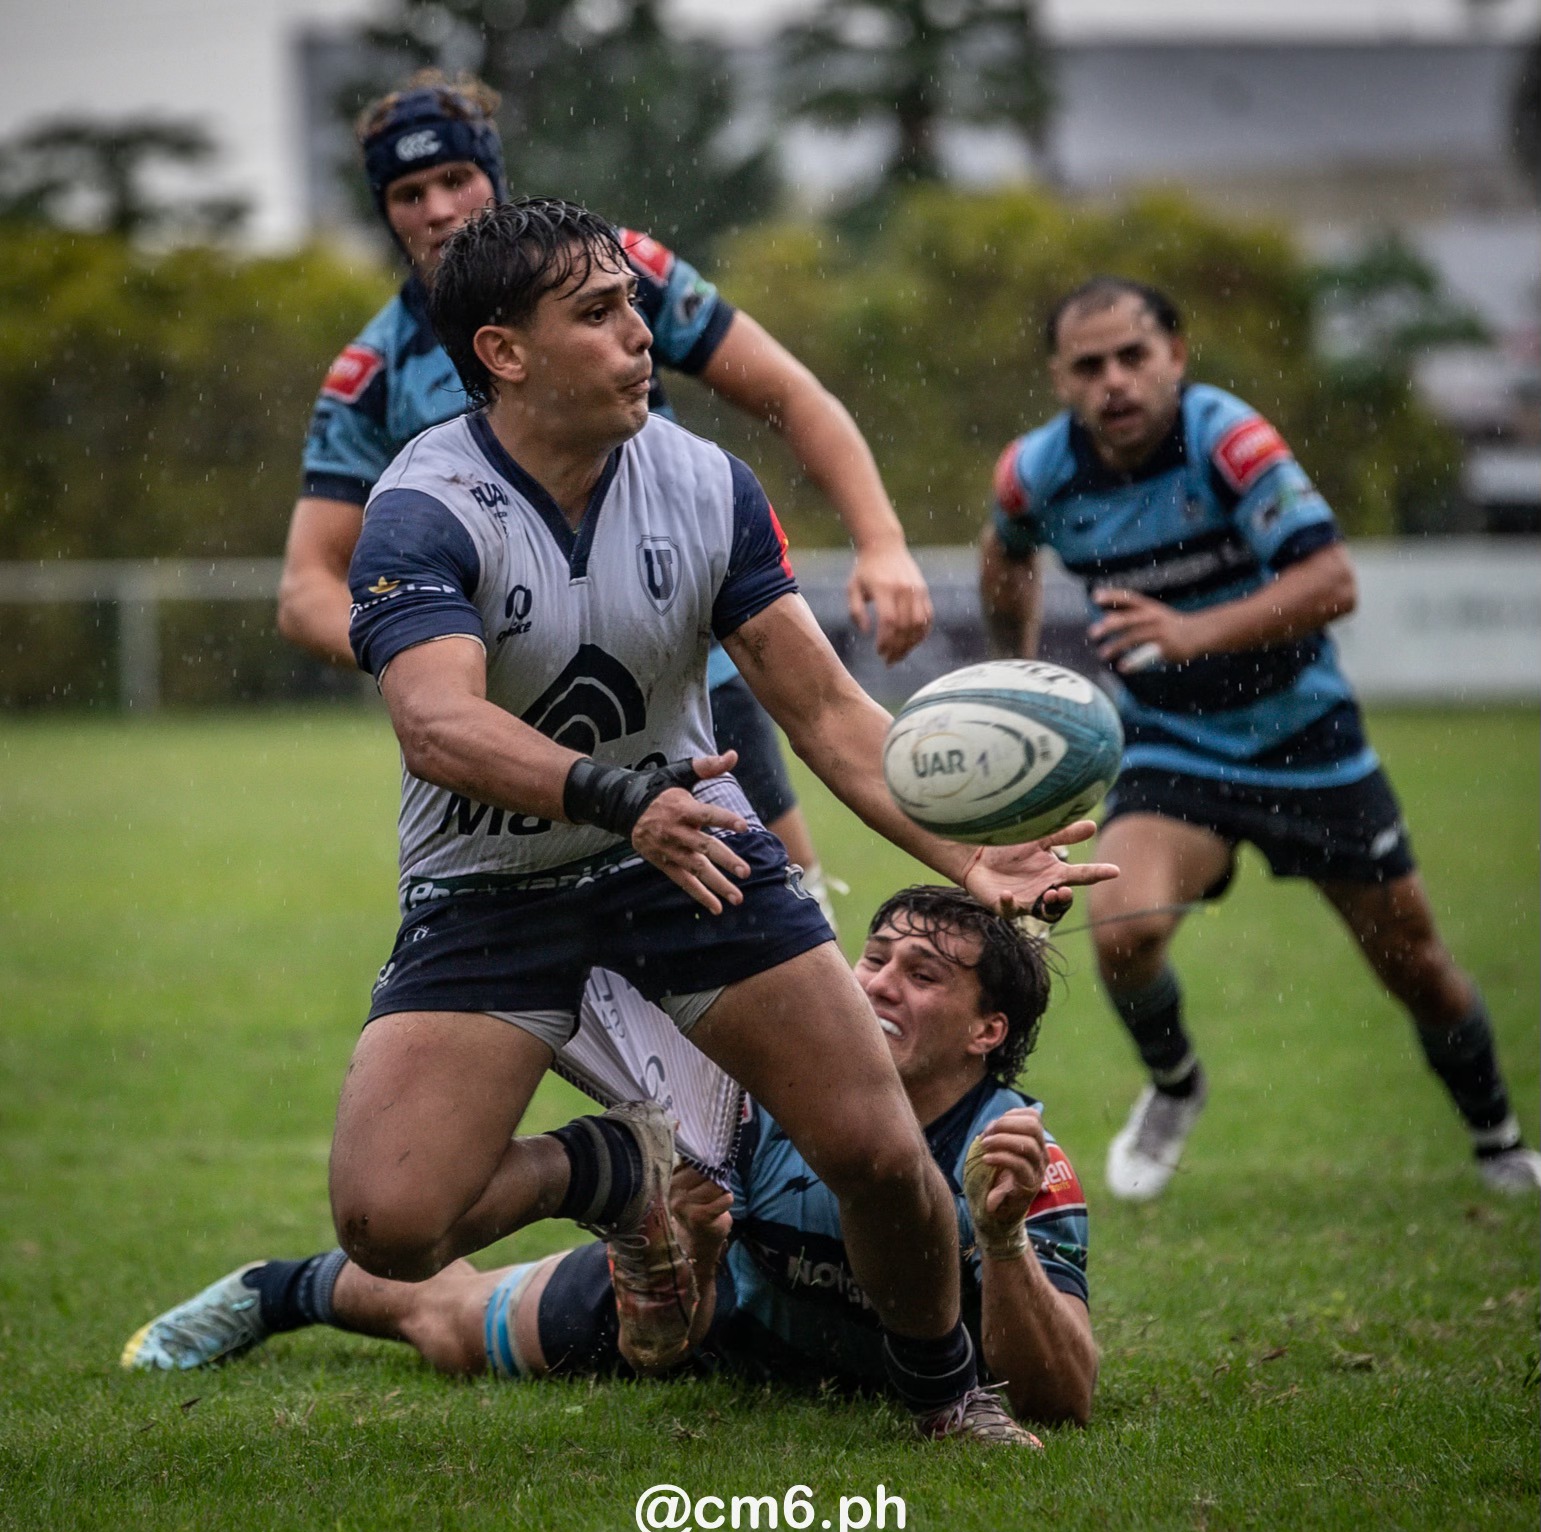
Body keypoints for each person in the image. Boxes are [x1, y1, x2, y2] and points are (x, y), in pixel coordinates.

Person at [316, 196, 1117, 1445]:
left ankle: (941, 1395)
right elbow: (437, 726)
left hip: (683, 851)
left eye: (634, 302)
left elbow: (828, 712)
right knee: (389, 1221)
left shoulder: (706, 486)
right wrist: (614, 795)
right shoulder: (423, 502)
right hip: (492, 879)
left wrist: (966, 854)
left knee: (873, 1148)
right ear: (503, 352)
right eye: (597, 312)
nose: (640, 333)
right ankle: (615, 1173)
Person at [278, 70, 934, 920]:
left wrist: (879, 539)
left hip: (687, 659)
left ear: (494, 174)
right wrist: (438, 644)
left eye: (456, 178)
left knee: (778, 916)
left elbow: (791, 393)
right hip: (513, 699)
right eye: (409, 193)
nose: (438, 209)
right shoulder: (372, 373)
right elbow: (305, 591)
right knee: (553, 961)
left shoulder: (613, 270)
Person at [123, 887, 1098, 1433]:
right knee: (449, 1323)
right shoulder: (766, 1091)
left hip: (890, 1347)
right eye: (874, 957)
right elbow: (664, 1337)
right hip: (738, 1313)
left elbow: (1061, 1396)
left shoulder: (1012, 1152)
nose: (879, 982)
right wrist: (696, 1253)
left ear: (987, 1030)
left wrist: (1001, 1239)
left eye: (920, 974)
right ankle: (275, 1288)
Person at [978, 275, 1541, 1201]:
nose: (1114, 380)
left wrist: (1193, 630)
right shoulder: (1033, 471)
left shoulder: (1227, 441)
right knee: (1122, 928)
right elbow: (1005, 552)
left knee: (1417, 967)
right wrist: (1012, 678)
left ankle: (1495, 1134)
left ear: (1176, 356)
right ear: (1058, 378)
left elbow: (1331, 580)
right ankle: (1173, 1085)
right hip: (1171, 742)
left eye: (1133, 356)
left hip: (1307, 739)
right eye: (1088, 365)